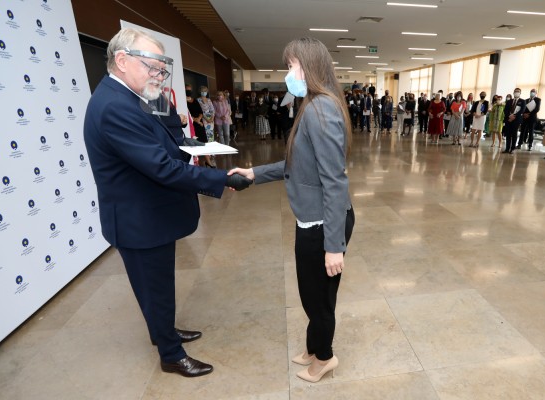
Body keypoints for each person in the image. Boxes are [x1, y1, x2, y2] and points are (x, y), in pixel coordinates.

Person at [83, 28, 252, 378]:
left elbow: (168, 138)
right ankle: (171, 354)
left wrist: (167, 108)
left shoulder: (136, 95)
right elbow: (161, 167)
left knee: (158, 285)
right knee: (155, 287)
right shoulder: (114, 106)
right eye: (152, 68)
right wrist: (222, 179)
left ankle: (164, 332)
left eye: (163, 69)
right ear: (122, 60)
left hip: (152, 216)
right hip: (138, 221)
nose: (158, 76)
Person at [229, 37, 354, 383]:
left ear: (309, 67)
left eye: (291, 66)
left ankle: (324, 357)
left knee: (319, 299)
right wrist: (254, 173)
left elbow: (334, 181)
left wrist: (333, 245)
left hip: (324, 223)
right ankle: (314, 347)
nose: (288, 74)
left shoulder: (322, 109)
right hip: (311, 219)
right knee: (310, 292)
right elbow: (296, 164)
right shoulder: (311, 105)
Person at [503, 88, 526, 154]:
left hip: (516, 120)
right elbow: (505, 110)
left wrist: (514, 116)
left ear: (520, 93)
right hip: (508, 120)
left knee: (514, 134)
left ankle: (512, 148)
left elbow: (522, 110)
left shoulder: (522, 101)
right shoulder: (509, 101)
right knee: (508, 134)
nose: (516, 92)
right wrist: (509, 116)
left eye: (518, 92)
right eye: (515, 91)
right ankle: (507, 148)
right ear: (513, 93)